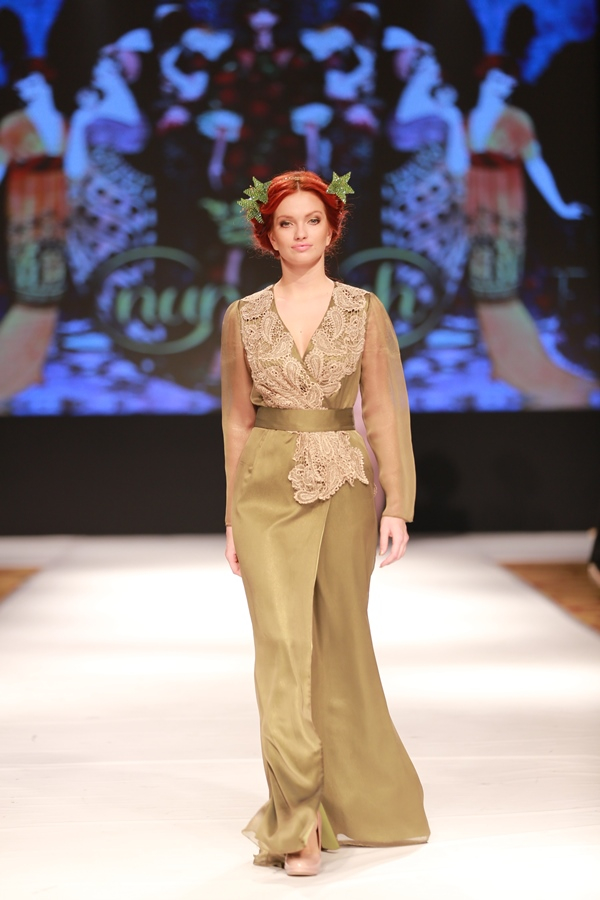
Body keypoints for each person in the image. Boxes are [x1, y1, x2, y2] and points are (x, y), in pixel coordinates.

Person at [220, 170, 430, 875]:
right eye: (287, 222)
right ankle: (298, 821)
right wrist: (231, 516)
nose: (301, 232)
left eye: (313, 219)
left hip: (344, 486)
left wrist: (397, 503)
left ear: (333, 229)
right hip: (264, 491)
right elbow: (237, 419)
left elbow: (385, 408)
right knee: (281, 650)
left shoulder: (364, 310)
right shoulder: (243, 316)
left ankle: (348, 800)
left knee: (339, 646)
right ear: (268, 235)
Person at [466, 61, 597, 407]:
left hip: (505, 207)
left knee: (500, 286)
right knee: (481, 285)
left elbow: (535, 163)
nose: (504, 87)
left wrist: (560, 206)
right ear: (484, 78)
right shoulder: (467, 118)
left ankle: (522, 366)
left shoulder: (516, 121)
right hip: (472, 210)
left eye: (508, 82)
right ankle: (499, 363)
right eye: (498, 79)